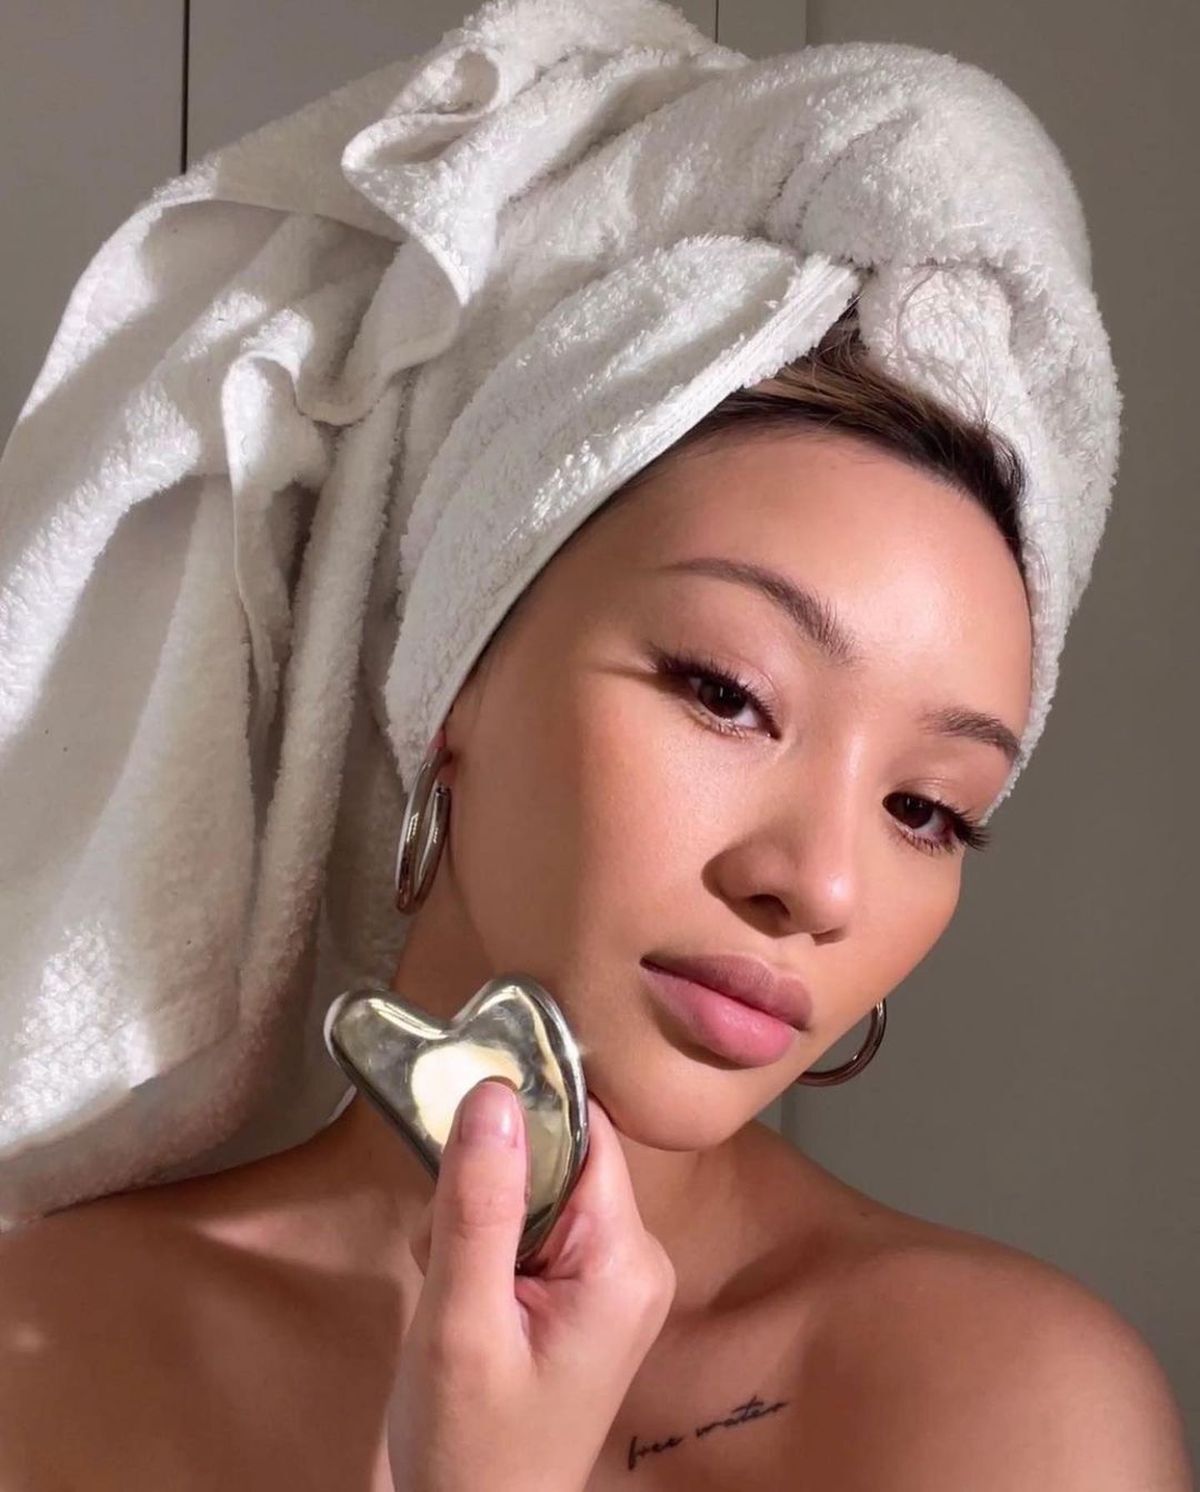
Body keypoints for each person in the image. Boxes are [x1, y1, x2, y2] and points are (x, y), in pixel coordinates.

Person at [0, 310, 1191, 1489]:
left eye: (925, 808)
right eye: (725, 693)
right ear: (456, 674)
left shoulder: (1020, 1410)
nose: (823, 883)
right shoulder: (44, 1351)